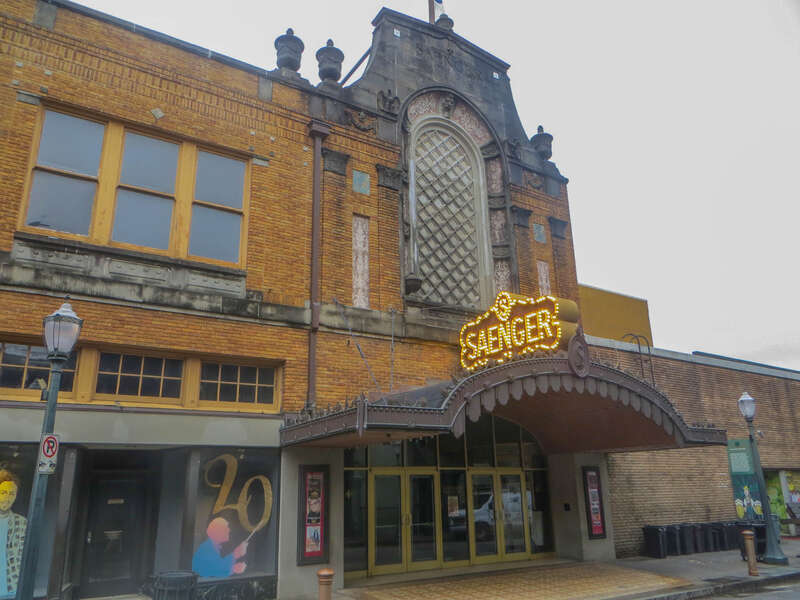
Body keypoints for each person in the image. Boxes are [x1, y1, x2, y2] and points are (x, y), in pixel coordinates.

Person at [0, 469, 26, 598]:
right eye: (3, 492)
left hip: (12, 589)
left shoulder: (21, 523)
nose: (7, 498)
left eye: (11, 494)